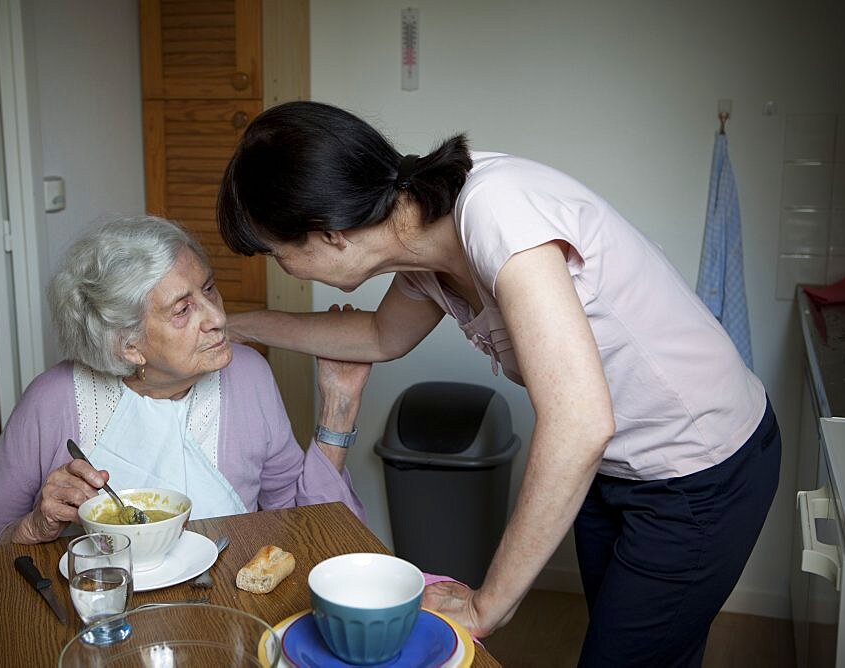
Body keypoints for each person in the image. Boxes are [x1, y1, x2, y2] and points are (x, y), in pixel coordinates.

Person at [216, 101, 780, 666]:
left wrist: (488, 606)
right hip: (614, 468)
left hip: (701, 468)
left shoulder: (495, 210)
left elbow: (580, 423)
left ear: (329, 235)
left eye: (276, 253)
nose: (282, 268)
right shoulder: (422, 247)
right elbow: (380, 337)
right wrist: (234, 327)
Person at [0, 215, 368, 551]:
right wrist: (33, 526)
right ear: (128, 345)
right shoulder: (53, 401)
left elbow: (300, 524)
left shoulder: (247, 375)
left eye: (209, 289)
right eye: (183, 310)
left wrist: (339, 402)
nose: (218, 318)